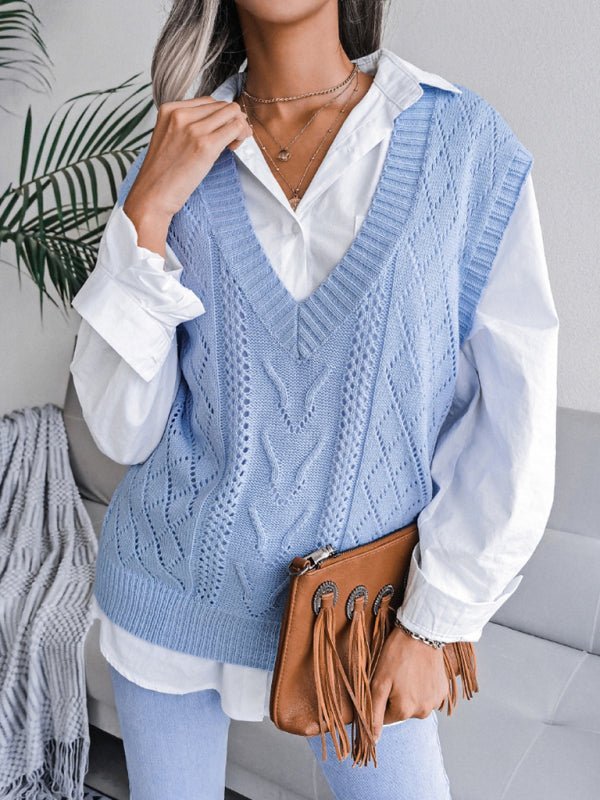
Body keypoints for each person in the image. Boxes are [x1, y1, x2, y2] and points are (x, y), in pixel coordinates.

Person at [69, 1, 559, 798]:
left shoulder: (464, 145)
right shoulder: (176, 155)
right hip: (167, 592)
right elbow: (125, 431)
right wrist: (147, 211)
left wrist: (436, 622)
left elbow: (512, 416)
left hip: (363, 617)